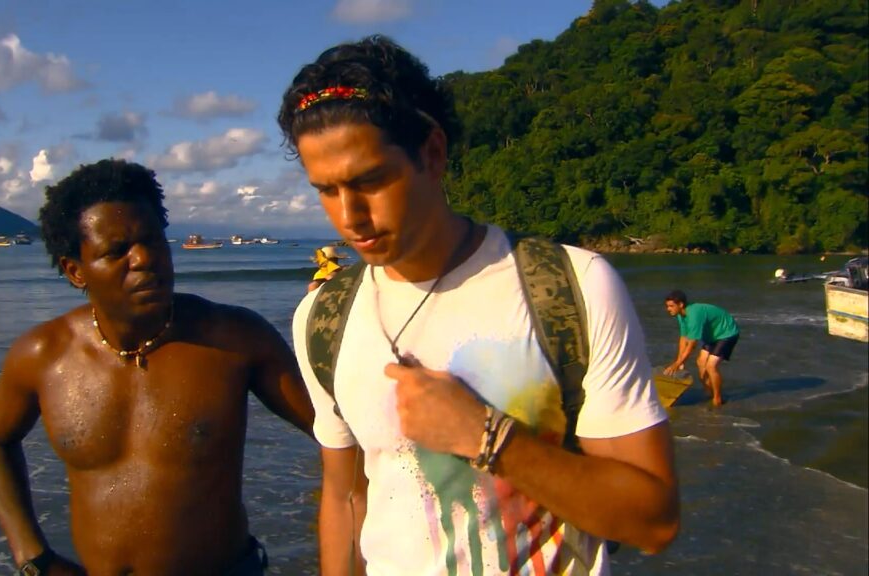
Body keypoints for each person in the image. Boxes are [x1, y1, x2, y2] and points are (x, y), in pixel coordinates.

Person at [277, 35, 679, 575]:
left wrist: (487, 438)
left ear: (432, 153)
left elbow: (653, 523)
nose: (349, 217)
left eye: (369, 181)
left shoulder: (568, 287)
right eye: (326, 190)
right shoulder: (324, 319)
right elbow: (347, 496)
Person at [0, 159, 315, 575]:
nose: (144, 259)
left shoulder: (235, 339)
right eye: (116, 251)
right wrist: (33, 557)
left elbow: (338, 431)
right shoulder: (43, 356)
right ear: (75, 271)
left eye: (153, 240)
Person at [662, 289, 740, 407]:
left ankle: (717, 398)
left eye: (671, 306)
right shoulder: (681, 315)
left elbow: (692, 344)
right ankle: (709, 392)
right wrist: (680, 360)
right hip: (711, 335)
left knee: (711, 366)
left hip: (726, 333)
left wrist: (677, 364)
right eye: (667, 306)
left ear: (681, 304)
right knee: (701, 362)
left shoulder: (693, 315)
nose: (668, 309)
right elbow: (684, 338)